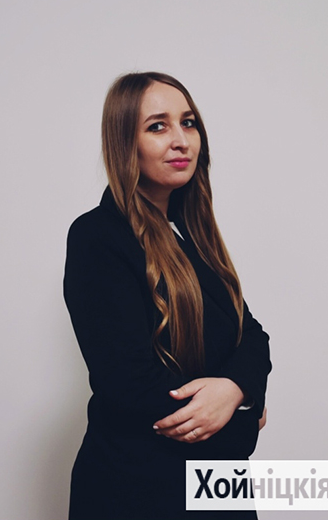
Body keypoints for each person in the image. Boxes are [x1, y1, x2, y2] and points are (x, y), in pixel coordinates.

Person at [63, 71, 272, 519]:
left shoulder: (192, 237)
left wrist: (235, 389)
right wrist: (242, 415)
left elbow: (252, 336)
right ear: (126, 143)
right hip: (138, 491)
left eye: (188, 123)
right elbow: (130, 386)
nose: (181, 140)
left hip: (216, 488)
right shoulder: (97, 237)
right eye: (158, 126)